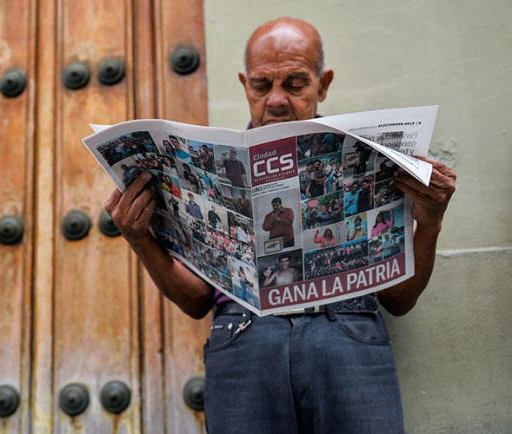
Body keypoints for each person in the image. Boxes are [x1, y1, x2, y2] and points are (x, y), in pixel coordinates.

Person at [104, 17, 456, 434]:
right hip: (244, 340)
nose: (275, 100)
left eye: (294, 84)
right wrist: (140, 238)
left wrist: (429, 224)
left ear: (323, 85)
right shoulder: (213, 171)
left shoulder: (371, 159)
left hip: (348, 337)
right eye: (261, 85)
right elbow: (197, 301)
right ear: (244, 84)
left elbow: (399, 300)